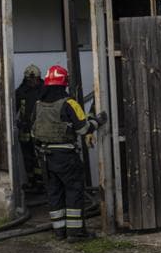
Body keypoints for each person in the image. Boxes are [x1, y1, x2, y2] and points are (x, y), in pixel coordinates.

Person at [32, 64, 108, 242]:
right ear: (64, 83)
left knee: (54, 193)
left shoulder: (38, 104)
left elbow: (33, 130)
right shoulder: (69, 103)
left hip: (44, 157)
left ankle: (60, 231)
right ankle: (76, 233)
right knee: (74, 192)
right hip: (65, 157)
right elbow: (83, 129)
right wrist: (98, 121)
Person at [15, 64, 44, 190]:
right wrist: (19, 123)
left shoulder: (44, 91)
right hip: (25, 131)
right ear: (26, 79)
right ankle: (32, 182)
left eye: (36, 79)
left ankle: (41, 183)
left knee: (40, 158)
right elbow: (13, 110)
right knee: (28, 158)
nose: (33, 82)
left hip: (40, 130)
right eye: (31, 79)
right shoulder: (20, 92)